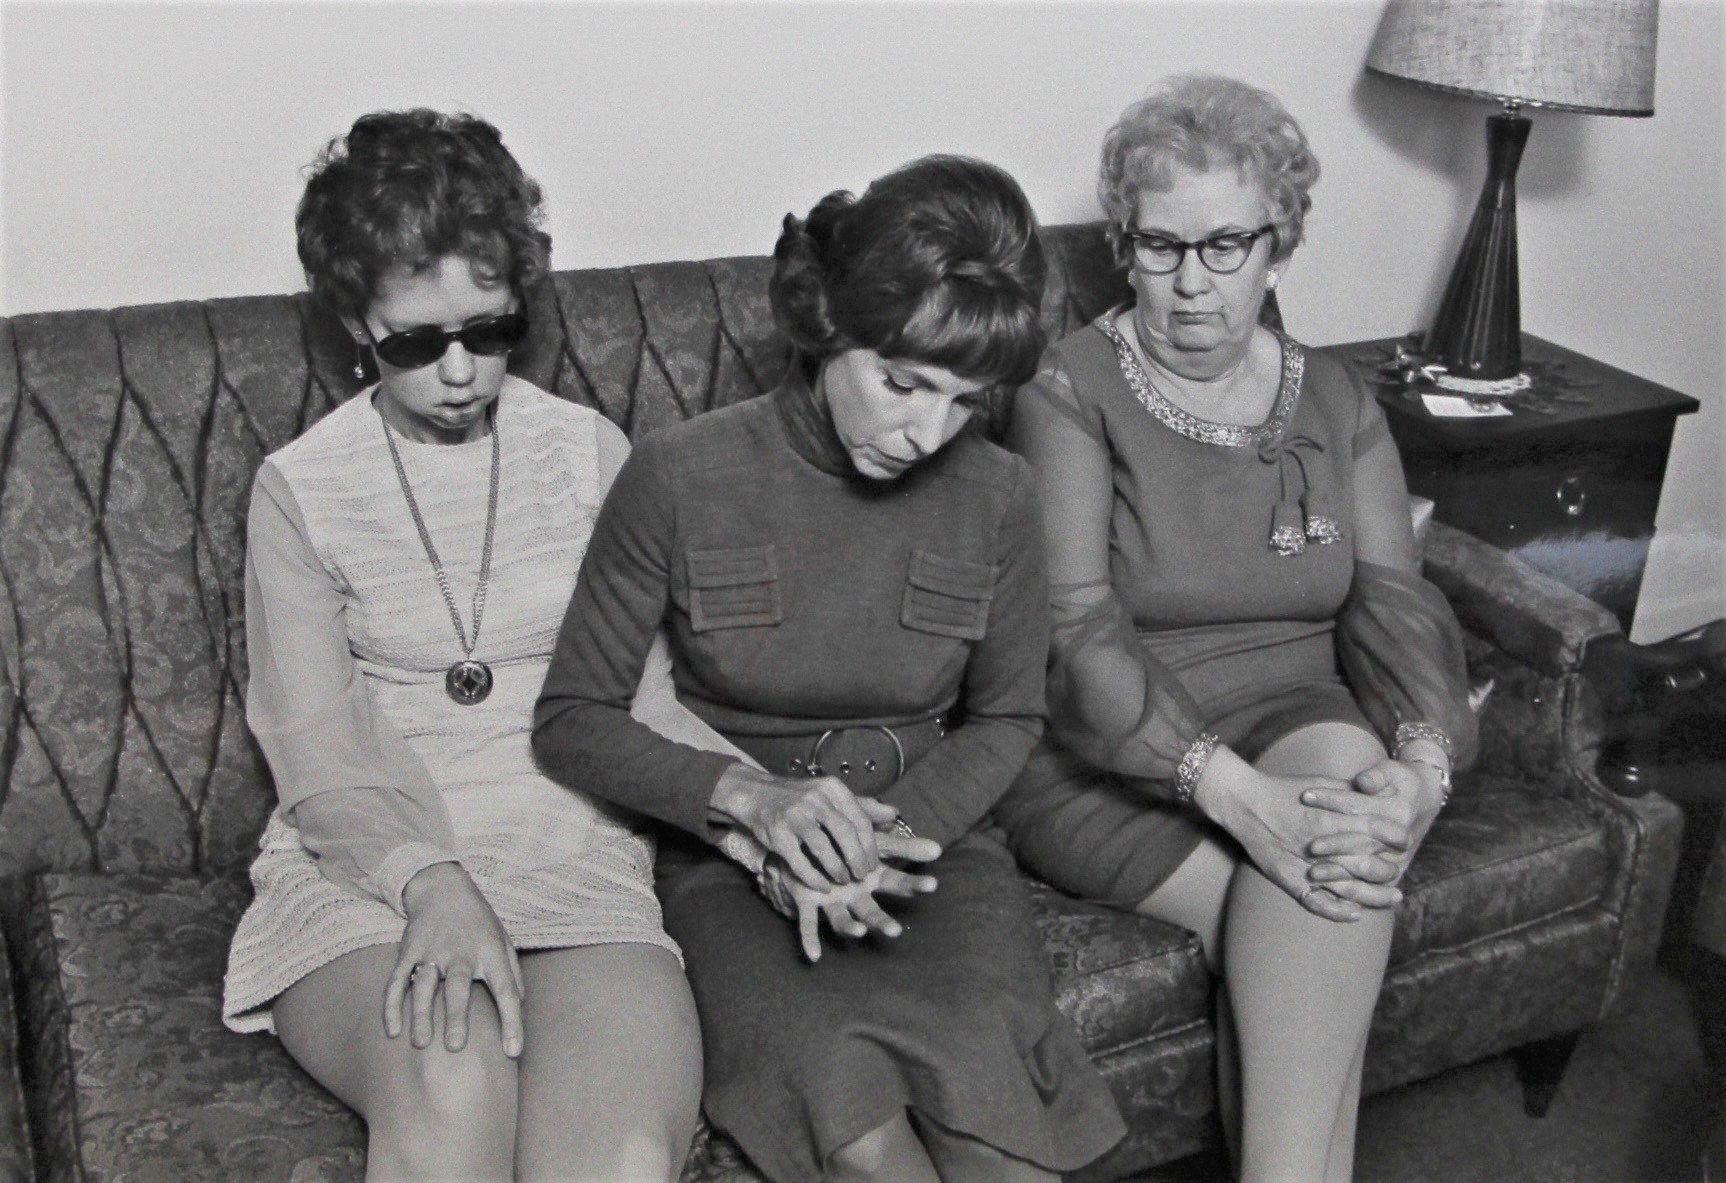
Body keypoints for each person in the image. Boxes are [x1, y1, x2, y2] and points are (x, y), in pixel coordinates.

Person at [533, 155, 1125, 1183]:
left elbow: (1006, 720)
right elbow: (574, 717)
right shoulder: (678, 472)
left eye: (963, 400)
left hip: (927, 852)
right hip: (729, 868)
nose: (925, 432)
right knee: (860, 1145)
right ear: (823, 321)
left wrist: (886, 840)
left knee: (1006, 1147)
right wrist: (753, 806)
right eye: (901, 382)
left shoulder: (1000, 492)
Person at [221, 109, 730, 1182]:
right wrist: (433, 884)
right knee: (454, 1088)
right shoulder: (301, 488)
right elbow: (314, 749)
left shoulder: (591, 453)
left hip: (573, 853)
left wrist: (764, 802)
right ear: (357, 322)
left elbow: (645, 701)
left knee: (624, 1159)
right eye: (416, 342)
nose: (458, 371)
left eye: (488, 330)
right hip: (373, 872)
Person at [991, 75, 1479, 1183]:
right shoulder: (1065, 389)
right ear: (1122, 245)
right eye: (1158, 246)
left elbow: (1396, 612)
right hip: (1097, 749)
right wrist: (1237, 798)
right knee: (1334, 902)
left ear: (1279, 243)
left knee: (1348, 806)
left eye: (1225, 246)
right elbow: (1074, 635)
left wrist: (1419, 775)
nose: (1191, 286)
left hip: (1297, 714)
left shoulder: (1338, 400)